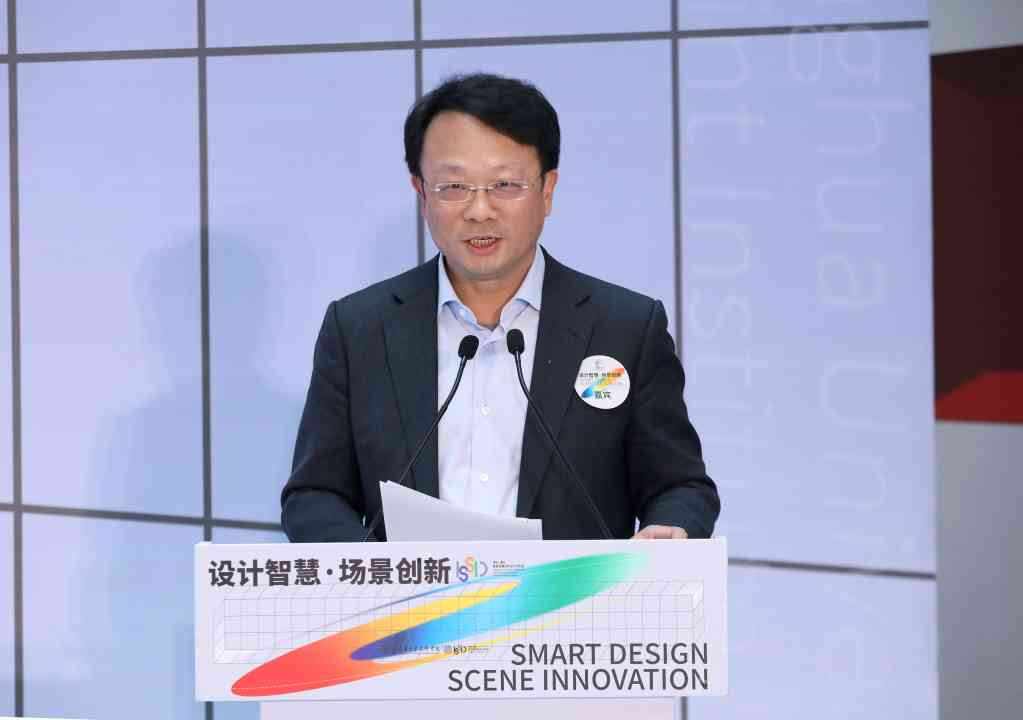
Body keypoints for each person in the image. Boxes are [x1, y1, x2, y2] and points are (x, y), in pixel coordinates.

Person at [281, 73, 719, 542]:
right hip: (411, 592)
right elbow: (314, 495)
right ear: (421, 193)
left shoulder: (625, 328)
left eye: (505, 185)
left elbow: (679, 486)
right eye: (454, 186)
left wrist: (670, 528)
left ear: (547, 191)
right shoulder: (359, 329)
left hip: (571, 590)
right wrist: (377, 570)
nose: (479, 210)